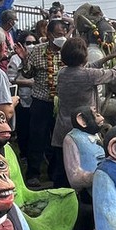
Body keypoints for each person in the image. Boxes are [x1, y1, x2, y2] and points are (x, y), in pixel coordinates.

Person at [51, 37, 116, 188]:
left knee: (62, 171)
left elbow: (90, 67)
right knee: (84, 169)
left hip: (62, 129)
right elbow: (114, 74)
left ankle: (61, 199)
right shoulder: (88, 76)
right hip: (83, 131)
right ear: (84, 56)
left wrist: (110, 56)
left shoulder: (62, 73)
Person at [21, 18, 69, 188]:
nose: (61, 37)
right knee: (37, 137)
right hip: (41, 101)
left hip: (62, 103)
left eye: (63, 34)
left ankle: (55, 174)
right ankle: (33, 173)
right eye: (58, 34)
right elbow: (27, 75)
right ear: (48, 35)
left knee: (58, 140)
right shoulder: (37, 51)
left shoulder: (68, 51)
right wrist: (24, 60)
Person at [8, 30, 36, 156]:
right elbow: (11, 79)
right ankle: (24, 153)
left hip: (36, 97)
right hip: (21, 98)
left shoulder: (37, 56)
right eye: (28, 42)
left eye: (34, 42)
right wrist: (27, 83)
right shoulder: (15, 59)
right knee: (23, 127)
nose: (31, 45)